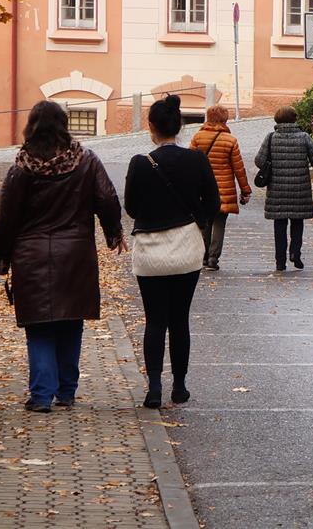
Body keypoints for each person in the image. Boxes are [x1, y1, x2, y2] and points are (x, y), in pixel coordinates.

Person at [0, 100, 123, 413]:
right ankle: (66, 392)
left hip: (32, 257)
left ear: (31, 127)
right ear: (64, 124)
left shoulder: (21, 167)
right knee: (71, 323)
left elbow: (6, 220)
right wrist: (113, 233)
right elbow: (107, 198)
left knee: (39, 327)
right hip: (75, 254)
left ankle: (41, 395)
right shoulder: (86, 160)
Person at [124, 95, 219, 408]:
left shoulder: (140, 163)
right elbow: (214, 204)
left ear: (151, 127)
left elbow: (132, 207)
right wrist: (197, 221)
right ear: (180, 126)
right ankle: (179, 386)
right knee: (180, 320)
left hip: (150, 252)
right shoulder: (196, 160)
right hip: (186, 249)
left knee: (154, 321)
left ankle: (154, 388)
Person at [256, 106, 313, 272]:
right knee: (297, 222)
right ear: (295, 119)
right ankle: (295, 253)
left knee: (279, 225)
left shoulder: (271, 138)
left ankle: (280, 262)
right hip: (299, 188)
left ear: (276, 120)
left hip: (277, 189)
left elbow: (259, 161)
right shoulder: (305, 137)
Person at [187, 104, 249, 270]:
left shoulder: (198, 137)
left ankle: (204, 256)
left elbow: (189, 164)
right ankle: (214, 258)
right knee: (219, 223)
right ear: (224, 119)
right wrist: (245, 191)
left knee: (205, 222)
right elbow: (239, 168)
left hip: (202, 189)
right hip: (224, 190)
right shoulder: (230, 140)